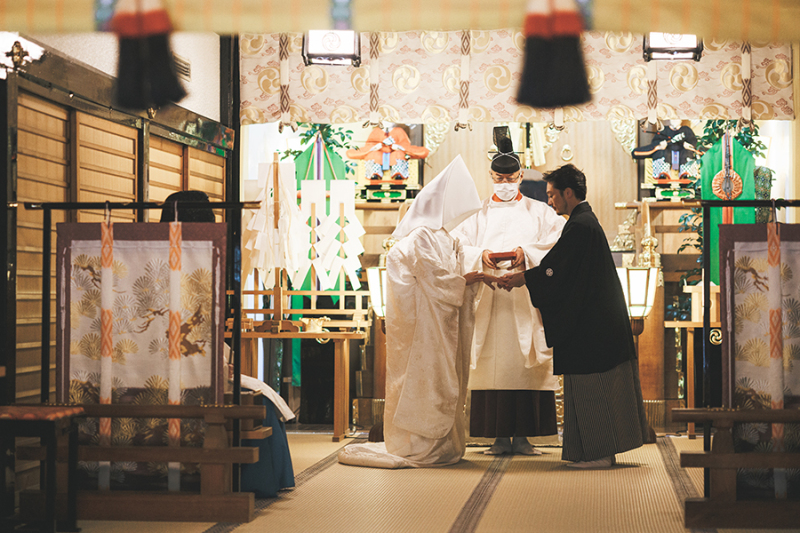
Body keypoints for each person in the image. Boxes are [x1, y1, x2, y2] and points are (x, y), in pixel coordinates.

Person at [339, 155, 494, 468]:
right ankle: (419, 444)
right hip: (422, 327)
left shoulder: (448, 238)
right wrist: (474, 278)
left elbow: (453, 278)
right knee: (424, 381)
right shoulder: (421, 237)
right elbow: (437, 280)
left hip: (442, 323)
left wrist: (473, 276)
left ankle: (444, 444)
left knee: (445, 380)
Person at [499, 164, 649, 468]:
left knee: (594, 389)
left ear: (569, 193)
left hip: (593, 327)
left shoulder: (581, 225)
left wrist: (526, 278)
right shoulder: (583, 222)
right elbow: (559, 269)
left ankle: (598, 453)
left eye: (553, 194)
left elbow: (557, 272)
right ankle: (589, 452)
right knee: (590, 390)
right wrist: (529, 277)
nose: (550, 201)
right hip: (594, 321)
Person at [452, 130, 565, 455]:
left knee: (525, 364)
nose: (505, 182)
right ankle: (497, 437)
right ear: (491, 177)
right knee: (492, 364)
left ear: (520, 176)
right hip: (488, 301)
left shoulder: (538, 211)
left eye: (510, 177)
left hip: (525, 298)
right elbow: (459, 245)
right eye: (498, 177)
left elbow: (555, 242)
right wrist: (481, 256)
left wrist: (524, 253)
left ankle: (526, 437)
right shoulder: (477, 213)